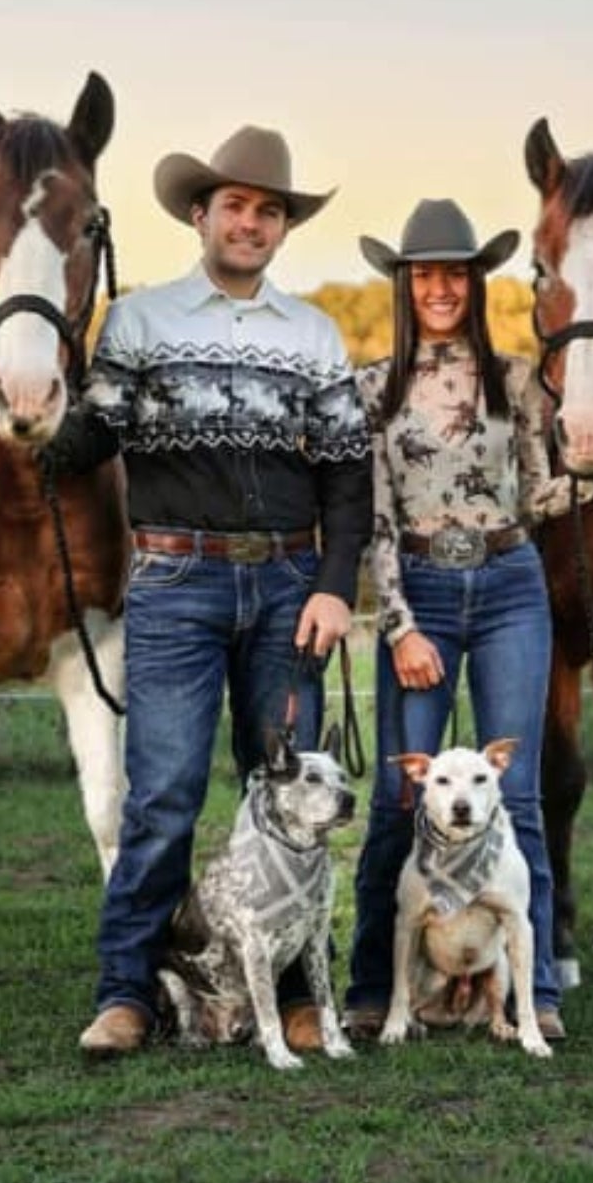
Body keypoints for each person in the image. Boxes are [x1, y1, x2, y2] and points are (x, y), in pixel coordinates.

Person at [49, 124, 373, 1058]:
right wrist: (39, 404)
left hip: (286, 586)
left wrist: (333, 585)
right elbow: (90, 444)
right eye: (235, 205)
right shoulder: (142, 322)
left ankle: (297, 995)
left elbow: (350, 474)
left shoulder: (313, 336)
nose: (251, 223)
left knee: (291, 787)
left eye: (269, 211)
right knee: (165, 794)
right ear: (202, 214)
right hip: (176, 582)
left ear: (282, 229)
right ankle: (128, 994)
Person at [341, 198, 593, 1043]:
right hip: (419, 588)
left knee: (515, 795)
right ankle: (376, 983)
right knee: (396, 794)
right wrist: (401, 626)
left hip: (510, 585)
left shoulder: (515, 379)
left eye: (457, 272)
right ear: (406, 285)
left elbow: (540, 492)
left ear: (476, 282)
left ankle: (538, 992)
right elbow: (375, 519)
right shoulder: (373, 388)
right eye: (427, 274)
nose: (442, 288)